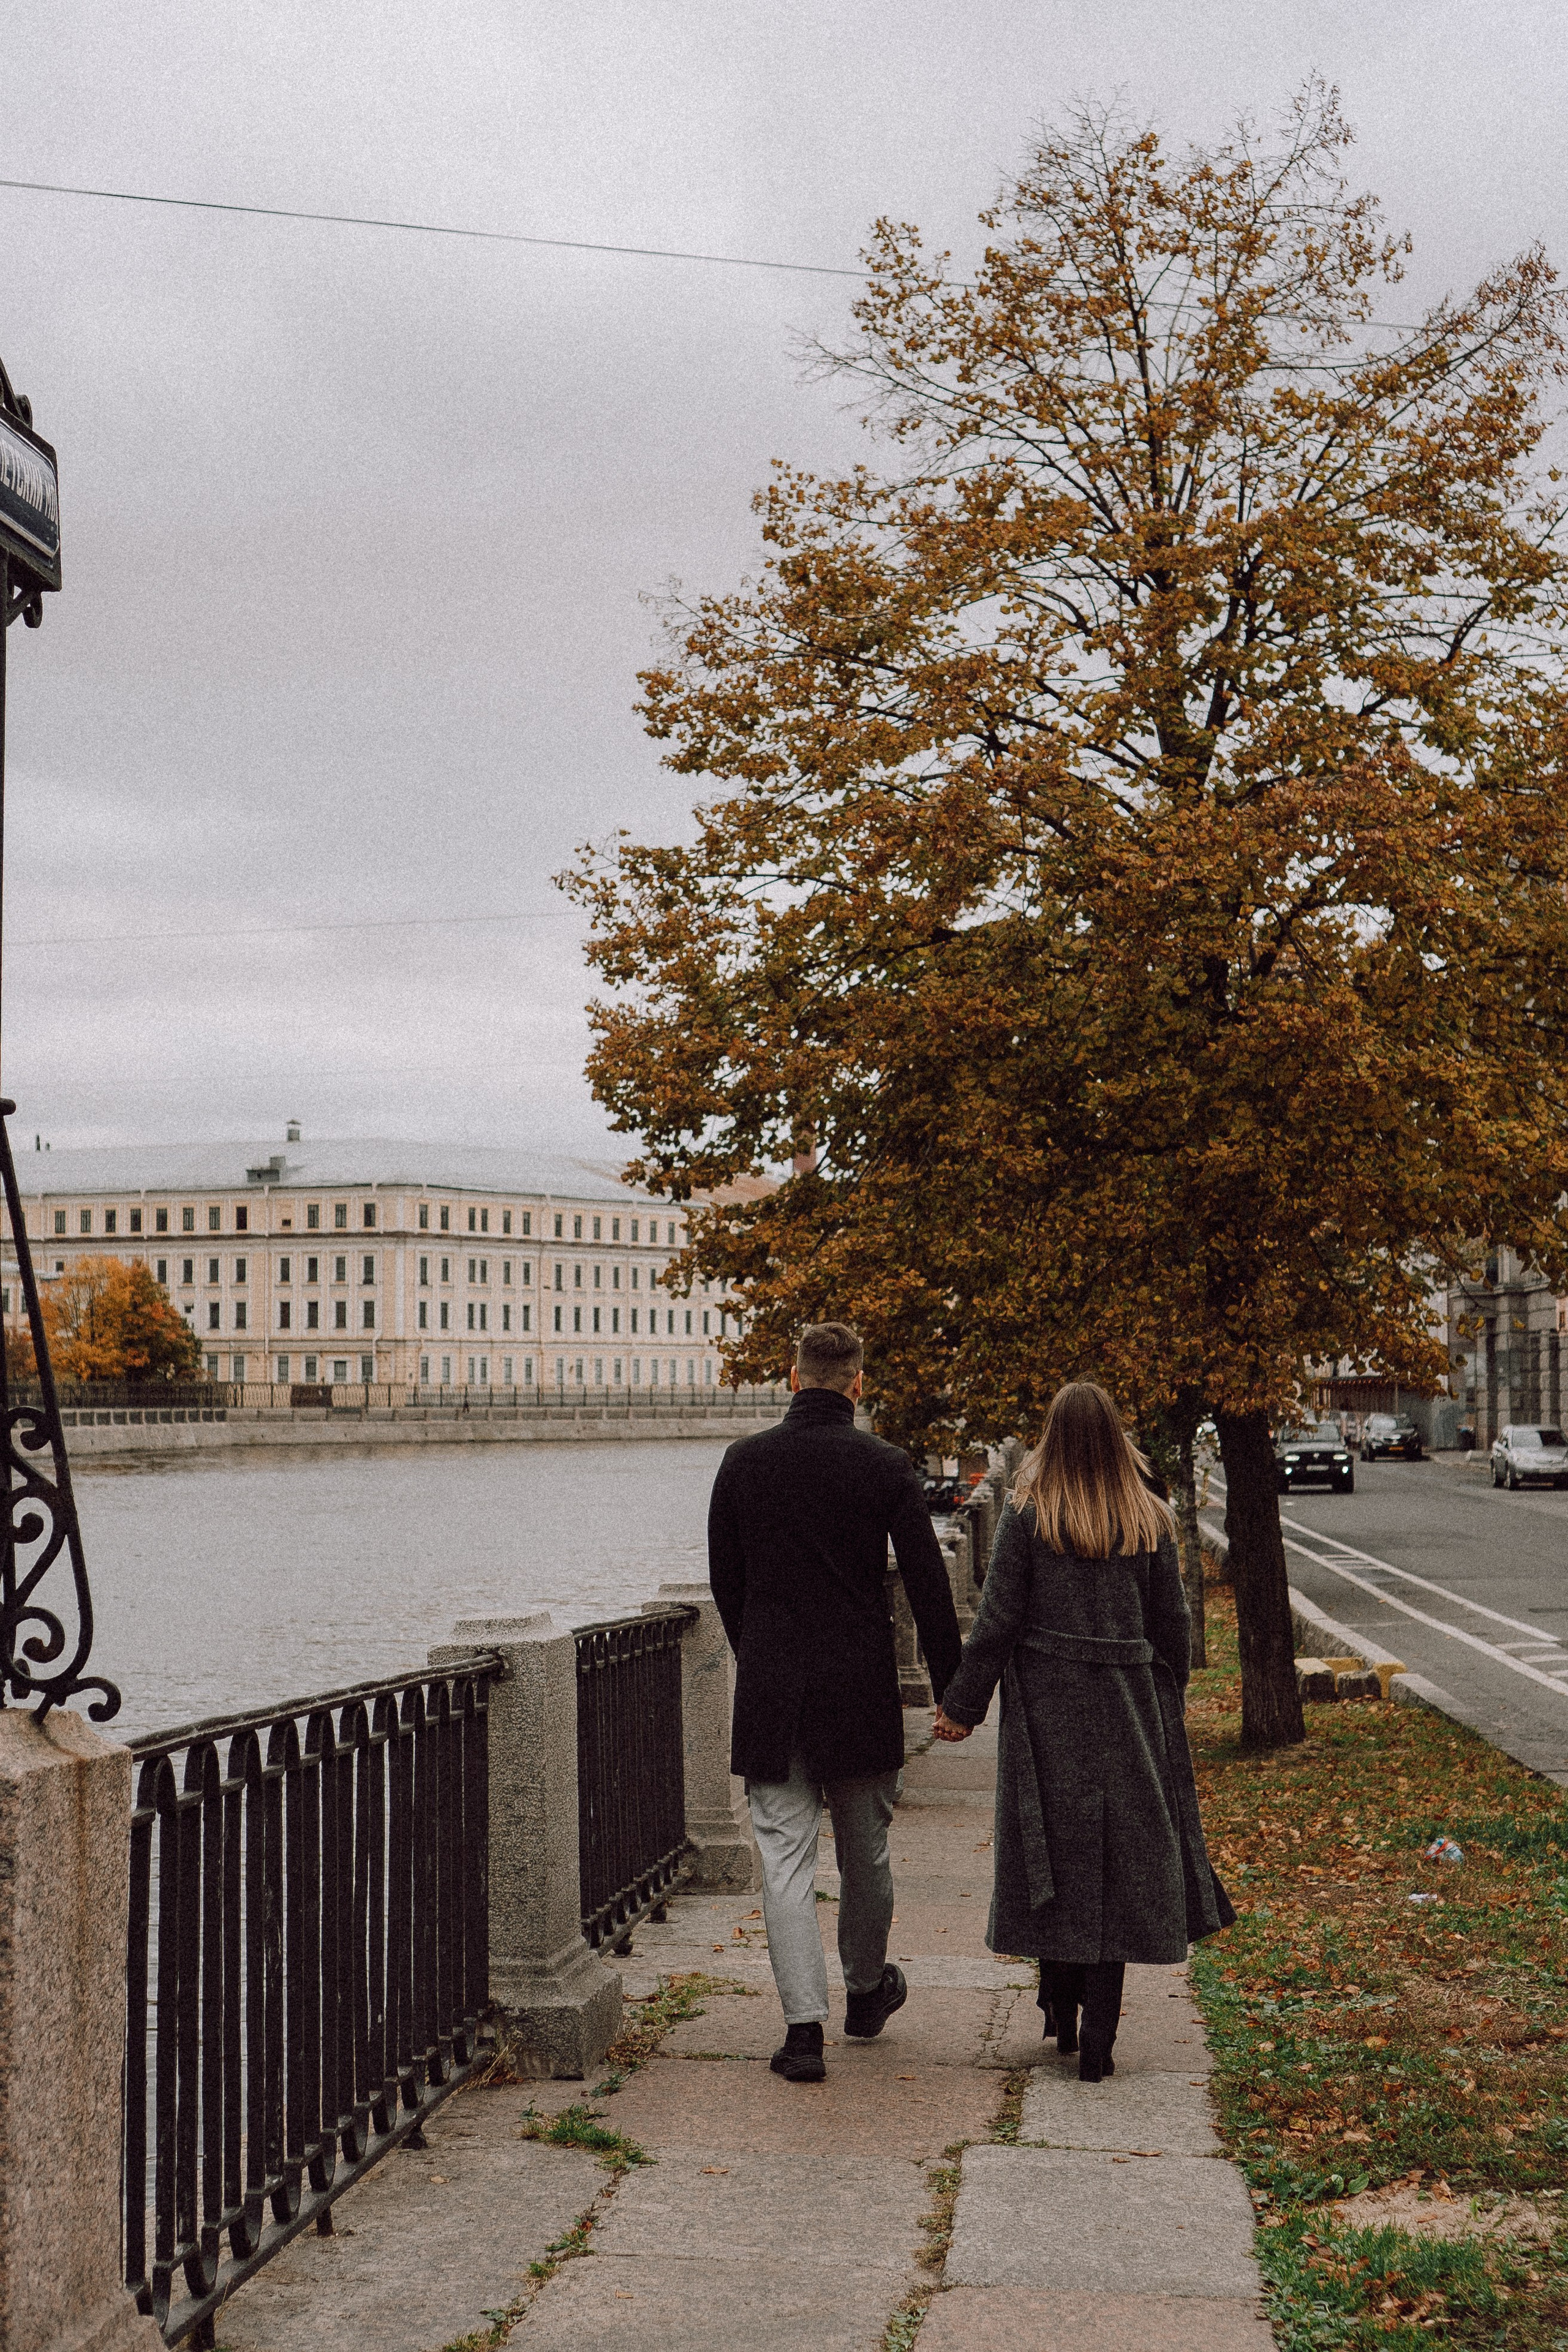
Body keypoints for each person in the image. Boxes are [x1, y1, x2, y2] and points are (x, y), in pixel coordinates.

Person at [932, 1380, 1234, 2082]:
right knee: (1118, 1862)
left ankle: (1058, 2006)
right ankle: (1099, 2037)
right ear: (1115, 1438)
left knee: (1052, 1850)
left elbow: (997, 1621)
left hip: (1048, 1708)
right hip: (1129, 1707)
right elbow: (1173, 1627)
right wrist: (1166, 1700)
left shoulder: (1027, 1515)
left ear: (1051, 1438)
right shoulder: (1149, 1519)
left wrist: (962, 1707)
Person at [708, 1321, 963, 2082]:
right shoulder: (885, 1464)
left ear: (793, 1379)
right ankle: (865, 1989)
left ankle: (802, 2032)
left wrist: (760, 1655)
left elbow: (727, 1580)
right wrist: (954, 1690)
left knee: (784, 1860)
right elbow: (926, 1582)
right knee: (866, 1854)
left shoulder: (743, 1461)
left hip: (774, 1691)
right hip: (858, 1688)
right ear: (857, 1384)